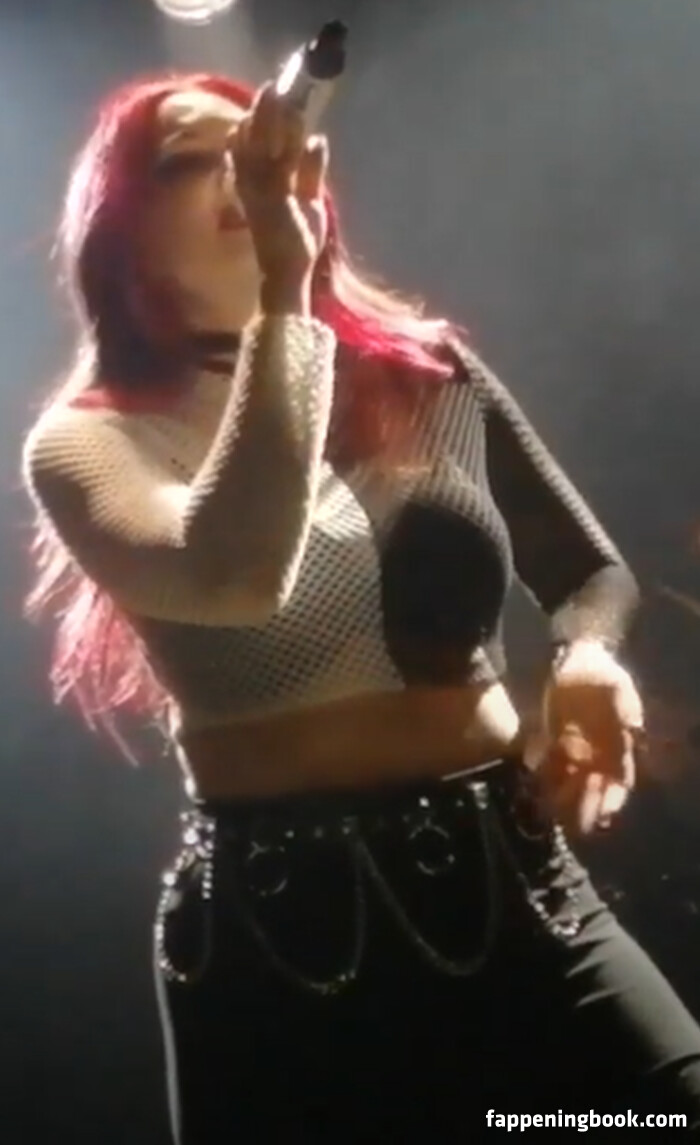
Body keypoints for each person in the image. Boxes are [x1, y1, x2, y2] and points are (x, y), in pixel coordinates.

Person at [21, 71, 700, 1142]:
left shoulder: (427, 374)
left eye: (258, 144)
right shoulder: (86, 441)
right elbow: (235, 570)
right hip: (283, 948)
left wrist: (587, 655)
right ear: (122, 224)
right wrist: (283, 302)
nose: (242, 171)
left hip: (519, 886)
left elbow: (585, 570)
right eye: (195, 159)